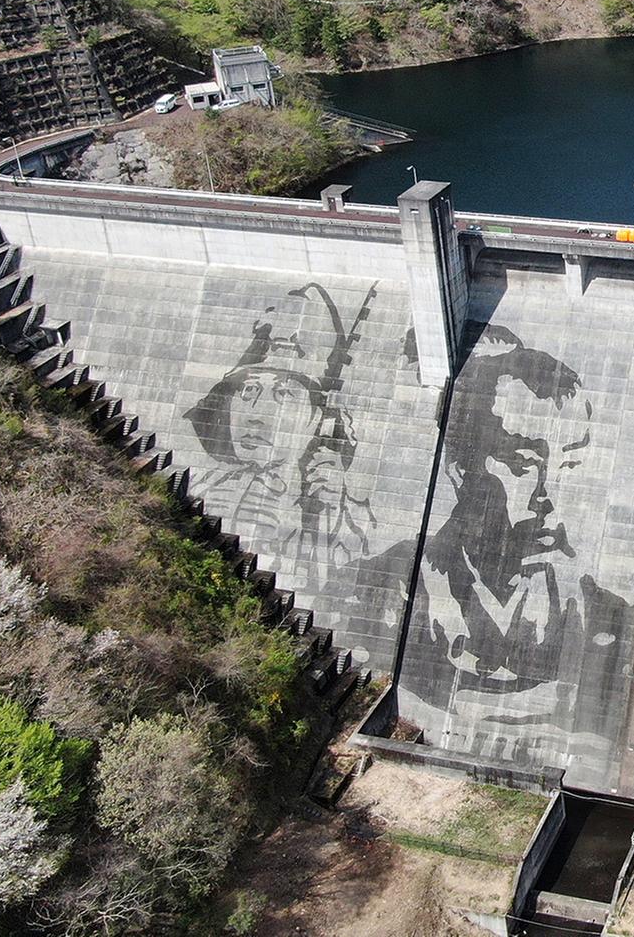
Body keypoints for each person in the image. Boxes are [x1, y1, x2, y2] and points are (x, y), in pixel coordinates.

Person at [392, 327, 601, 759]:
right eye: (525, 463)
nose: (551, 496)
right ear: (459, 468)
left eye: (570, 462)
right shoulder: (386, 590)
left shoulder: (600, 615)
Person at [184, 281, 377, 587]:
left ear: (317, 419)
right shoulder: (197, 484)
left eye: (284, 394)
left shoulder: (340, 509)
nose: (256, 417)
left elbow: (347, 580)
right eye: (248, 391)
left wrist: (332, 510)